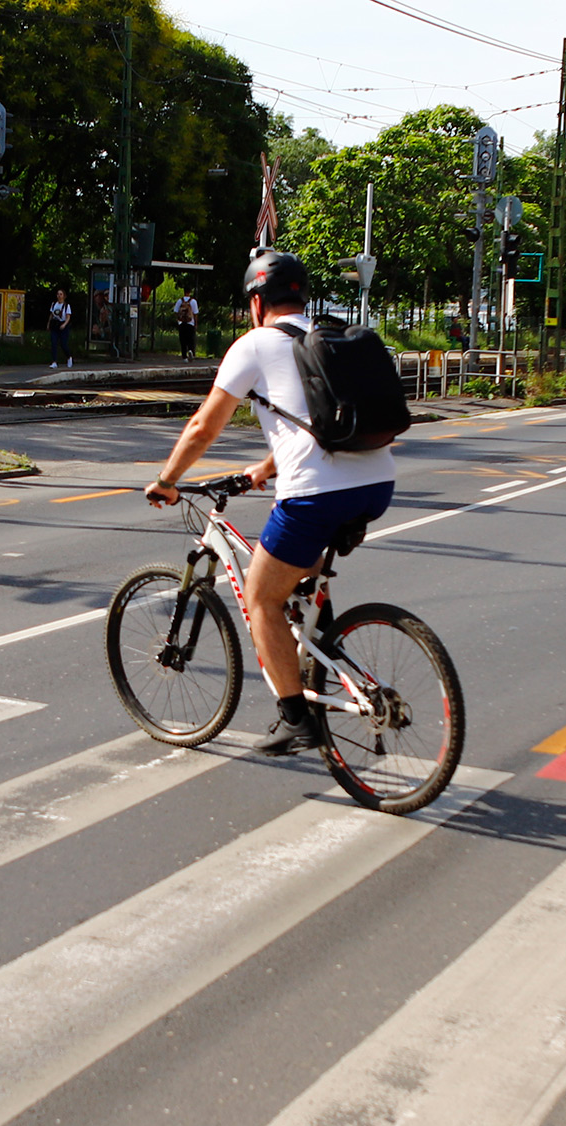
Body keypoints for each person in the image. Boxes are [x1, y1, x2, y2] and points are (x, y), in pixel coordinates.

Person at [143, 250, 397, 756]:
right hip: (377, 484)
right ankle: (317, 661)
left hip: (315, 497)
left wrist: (167, 479)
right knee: (297, 585)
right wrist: (263, 469)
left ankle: (295, 718)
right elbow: (319, 423)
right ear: (301, 295)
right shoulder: (327, 339)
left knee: (261, 598)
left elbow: (203, 426)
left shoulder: (254, 345)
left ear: (257, 301)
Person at [47, 288, 73, 368]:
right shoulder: (54, 304)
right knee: (54, 343)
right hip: (55, 324)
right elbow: (51, 314)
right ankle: (54, 361)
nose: (59, 296)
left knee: (63, 344)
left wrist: (64, 324)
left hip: (63, 325)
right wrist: (48, 323)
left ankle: (69, 357)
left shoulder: (66, 306)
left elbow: (68, 317)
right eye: (58, 294)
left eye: (61, 294)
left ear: (64, 296)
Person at [174, 289, 200, 361]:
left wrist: (178, 319)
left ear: (184, 292)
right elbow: (195, 313)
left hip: (181, 323)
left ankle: (184, 356)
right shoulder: (193, 301)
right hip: (190, 323)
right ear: (190, 292)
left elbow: (175, 311)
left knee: (183, 340)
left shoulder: (180, 301)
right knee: (191, 339)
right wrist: (195, 323)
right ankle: (191, 350)